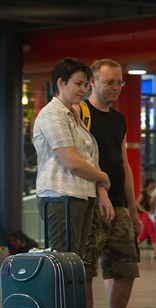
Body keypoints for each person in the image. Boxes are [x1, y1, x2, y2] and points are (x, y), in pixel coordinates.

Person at [33, 57, 114, 263]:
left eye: (86, 84)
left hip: (81, 195)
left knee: (75, 262)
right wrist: (103, 177)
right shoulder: (52, 114)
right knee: (62, 263)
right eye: (78, 84)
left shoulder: (73, 116)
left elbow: (86, 157)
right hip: (61, 195)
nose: (84, 90)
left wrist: (100, 189)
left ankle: (68, 297)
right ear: (61, 83)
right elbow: (72, 161)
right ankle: (59, 298)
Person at [82, 59, 141, 308]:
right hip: (90, 201)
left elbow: (124, 164)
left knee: (126, 268)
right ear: (92, 82)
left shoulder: (119, 119)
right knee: (86, 270)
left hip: (117, 204)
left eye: (120, 82)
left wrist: (133, 208)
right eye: (109, 82)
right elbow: (83, 159)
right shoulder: (79, 113)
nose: (116, 87)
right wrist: (100, 189)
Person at [136, 177, 156, 255]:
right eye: (151, 183)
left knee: (145, 233)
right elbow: (137, 203)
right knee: (151, 229)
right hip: (143, 214)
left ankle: (134, 245)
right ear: (148, 184)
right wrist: (144, 211)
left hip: (150, 215)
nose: (153, 185)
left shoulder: (153, 192)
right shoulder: (144, 193)